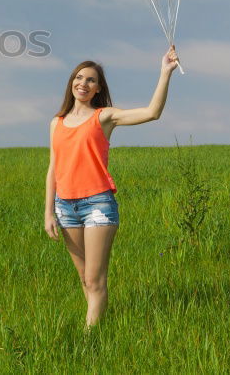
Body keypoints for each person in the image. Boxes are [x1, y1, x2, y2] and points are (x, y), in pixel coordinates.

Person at [44, 45, 179, 331]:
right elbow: (53, 169)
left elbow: (152, 112)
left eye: (91, 80)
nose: (84, 83)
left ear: (97, 89)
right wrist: (48, 213)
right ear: (72, 83)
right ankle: (99, 326)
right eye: (79, 78)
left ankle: (88, 338)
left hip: (97, 205)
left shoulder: (103, 117)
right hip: (65, 207)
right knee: (84, 279)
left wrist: (165, 72)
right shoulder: (56, 123)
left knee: (95, 279)